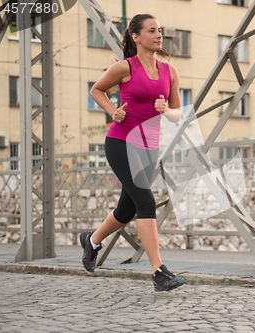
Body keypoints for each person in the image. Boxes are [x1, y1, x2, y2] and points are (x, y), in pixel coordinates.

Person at [80, 14, 185, 292]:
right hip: (121, 142)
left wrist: (167, 111)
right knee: (146, 203)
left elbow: (177, 114)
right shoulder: (125, 67)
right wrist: (112, 111)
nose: (158, 35)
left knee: (126, 209)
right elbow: (97, 90)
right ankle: (159, 273)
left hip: (148, 149)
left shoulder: (170, 72)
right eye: (152, 31)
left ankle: (91, 241)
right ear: (136, 37)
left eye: (160, 30)